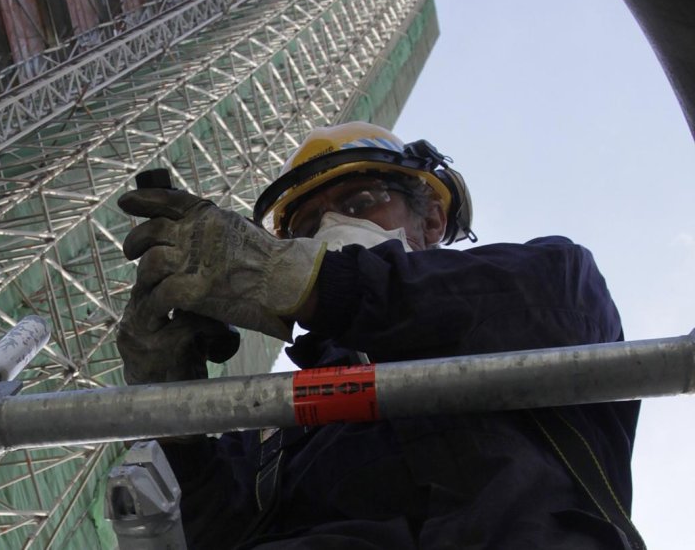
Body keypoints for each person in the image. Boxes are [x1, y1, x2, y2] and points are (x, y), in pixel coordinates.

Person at [115, 122, 641, 549]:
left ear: (432, 219)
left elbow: (449, 302)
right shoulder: (278, 431)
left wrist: (310, 280)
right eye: (305, 226)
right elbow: (208, 529)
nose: (329, 228)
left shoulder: (550, 283)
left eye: (361, 200)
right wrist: (169, 411)